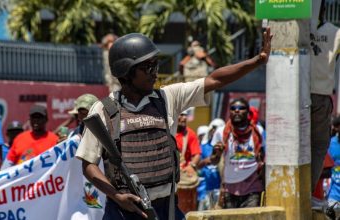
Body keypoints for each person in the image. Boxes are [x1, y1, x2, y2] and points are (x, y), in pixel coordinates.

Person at [76, 27, 272, 219]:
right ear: (126, 72)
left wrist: (257, 60)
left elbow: (214, 79)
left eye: (156, 64)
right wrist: (117, 196)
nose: (155, 72)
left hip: (166, 208)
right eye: (148, 67)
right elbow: (88, 165)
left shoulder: (168, 98)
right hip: (123, 210)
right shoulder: (103, 110)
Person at [211, 98, 265, 209]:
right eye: (233, 108)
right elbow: (214, 161)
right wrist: (217, 153)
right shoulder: (221, 132)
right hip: (229, 189)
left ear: (248, 112)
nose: (237, 111)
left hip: (253, 187)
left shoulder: (258, 131)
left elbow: (264, 155)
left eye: (241, 108)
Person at [310, 0, 340, 192]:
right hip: (321, 96)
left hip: (298, 95)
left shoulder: (300, 29)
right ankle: (307, 191)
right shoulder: (335, 32)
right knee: (320, 145)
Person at [197, 118, 225, 210]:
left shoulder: (226, 147)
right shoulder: (203, 146)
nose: (214, 130)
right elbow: (198, 165)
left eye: (217, 128)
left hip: (221, 190)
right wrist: (208, 160)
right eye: (213, 128)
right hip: (205, 190)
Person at [175, 111, 201, 176]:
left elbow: (196, 155)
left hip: (183, 173)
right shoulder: (169, 132)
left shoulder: (190, 134)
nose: (184, 117)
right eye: (181, 115)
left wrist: (191, 166)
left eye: (185, 115)